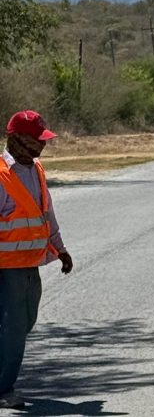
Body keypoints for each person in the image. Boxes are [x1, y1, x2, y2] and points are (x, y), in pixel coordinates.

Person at [0, 110, 73, 410]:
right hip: (6, 268)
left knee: (25, 321)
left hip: (31, 264)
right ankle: (3, 388)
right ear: (17, 139)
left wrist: (60, 249)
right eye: (36, 140)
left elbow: (46, 214)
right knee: (14, 329)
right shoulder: (1, 175)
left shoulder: (37, 170)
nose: (42, 145)